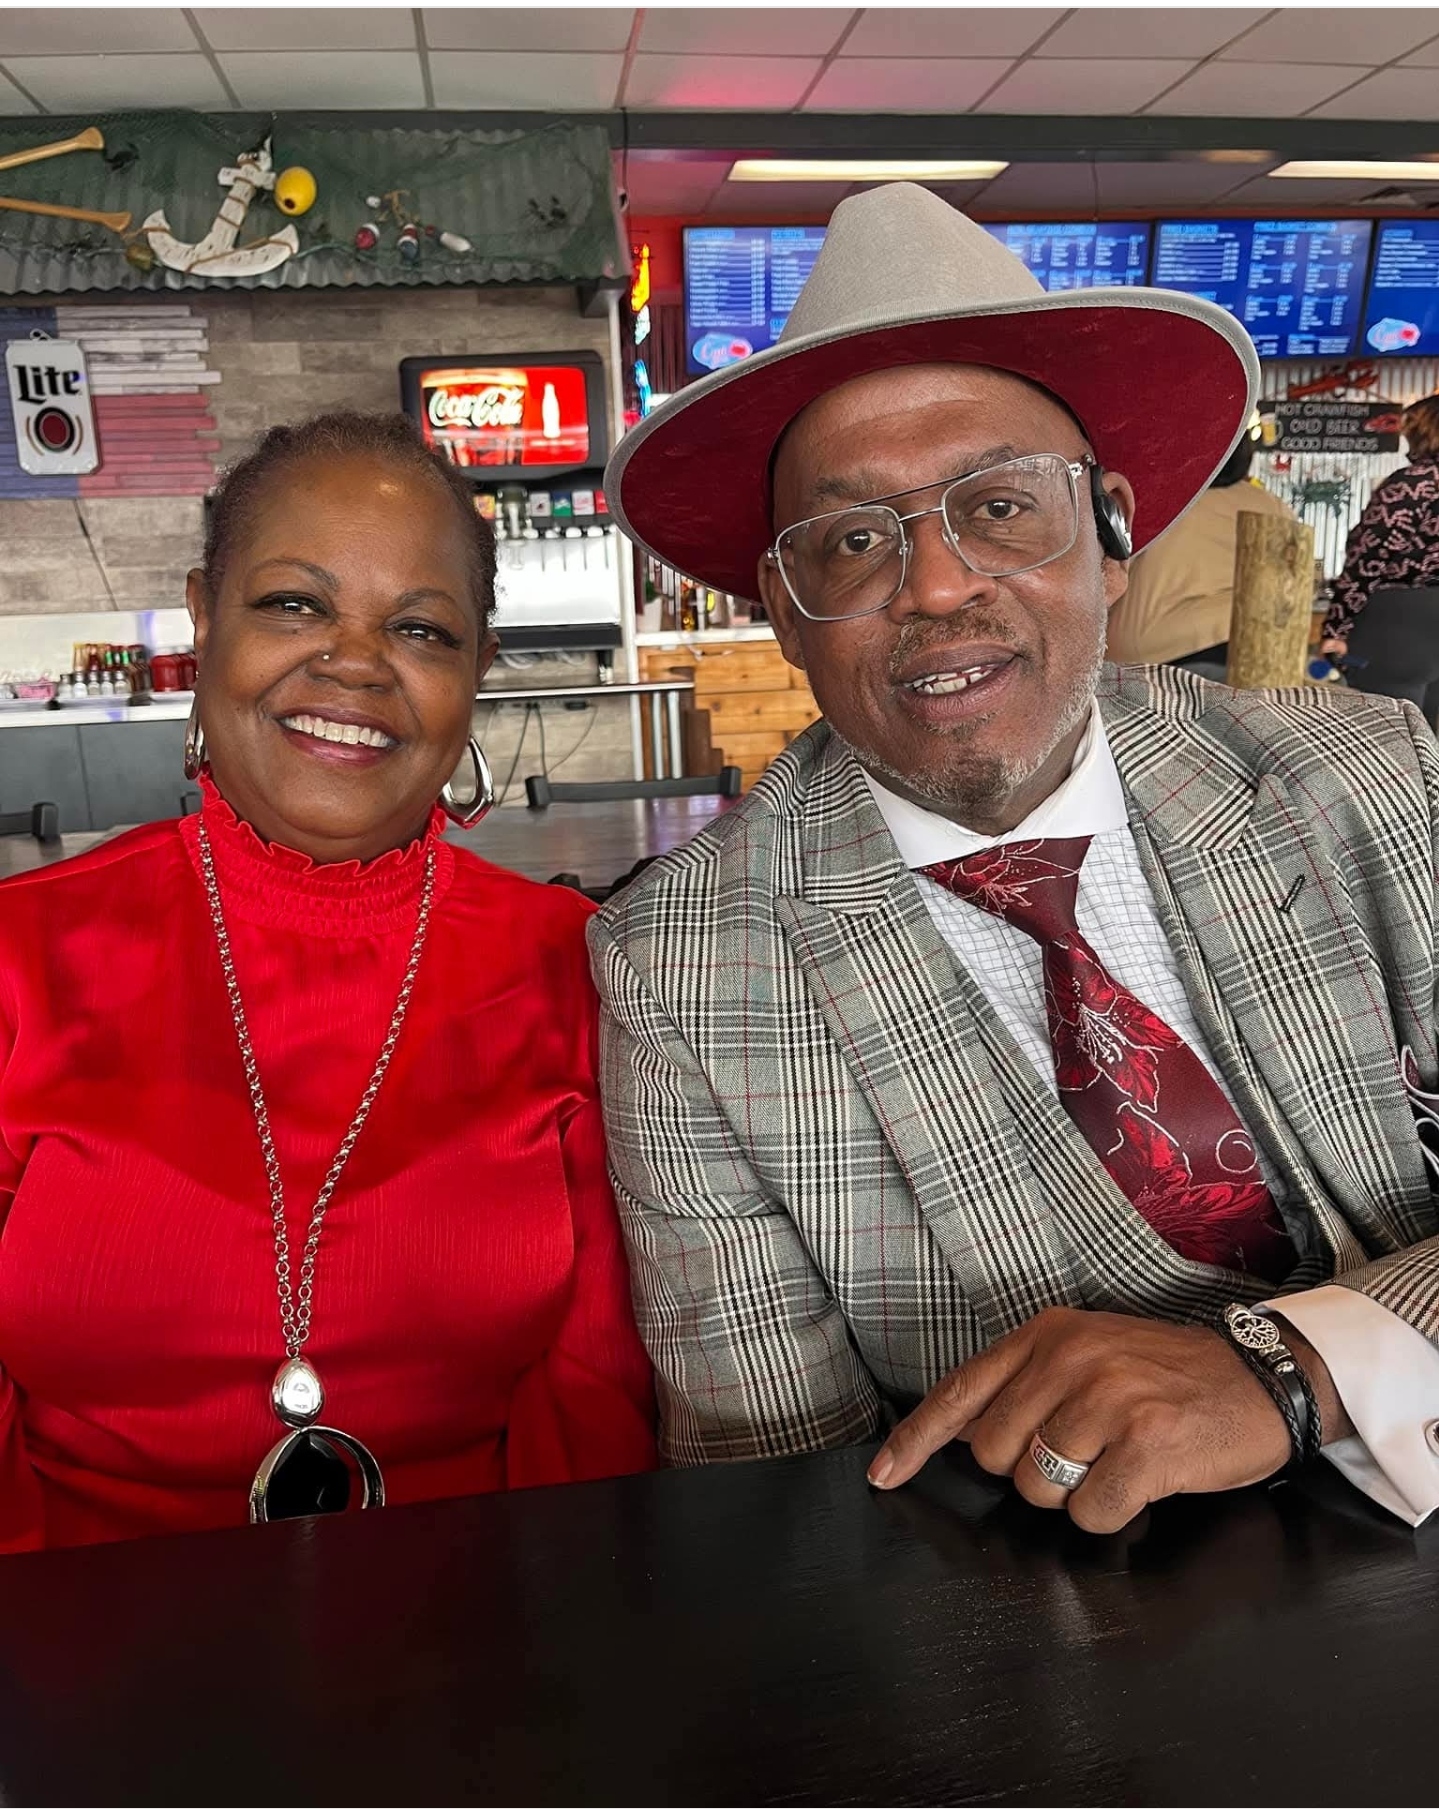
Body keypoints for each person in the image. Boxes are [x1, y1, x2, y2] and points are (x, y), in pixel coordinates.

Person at [595, 183, 1439, 1535]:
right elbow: (779, 1498)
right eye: (853, 540)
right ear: (784, 617)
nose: (935, 587)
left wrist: (1301, 1370)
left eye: (996, 506)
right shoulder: (684, 969)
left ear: (1109, 536)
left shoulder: (1370, 778)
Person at [0, 412, 655, 1553]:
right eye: (293, 604)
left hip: (481, 1617)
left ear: (476, 672)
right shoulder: (20, 957)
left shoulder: (582, 969)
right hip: (66, 1617)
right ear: (205, 618)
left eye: (420, 628)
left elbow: (592, 1420)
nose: (353, 661)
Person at [1105, 423, 1296, 678]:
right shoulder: (1272, 507)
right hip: (1249, 648)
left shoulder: (1152, 501)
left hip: (1149, 653)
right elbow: (1289, 588)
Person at [1320, 395, 1439, 716]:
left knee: (1385, 728)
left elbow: (1367, 559)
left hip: (1402, 621)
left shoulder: (1413, 484)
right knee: (1428, 733)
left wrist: (1336, 628)